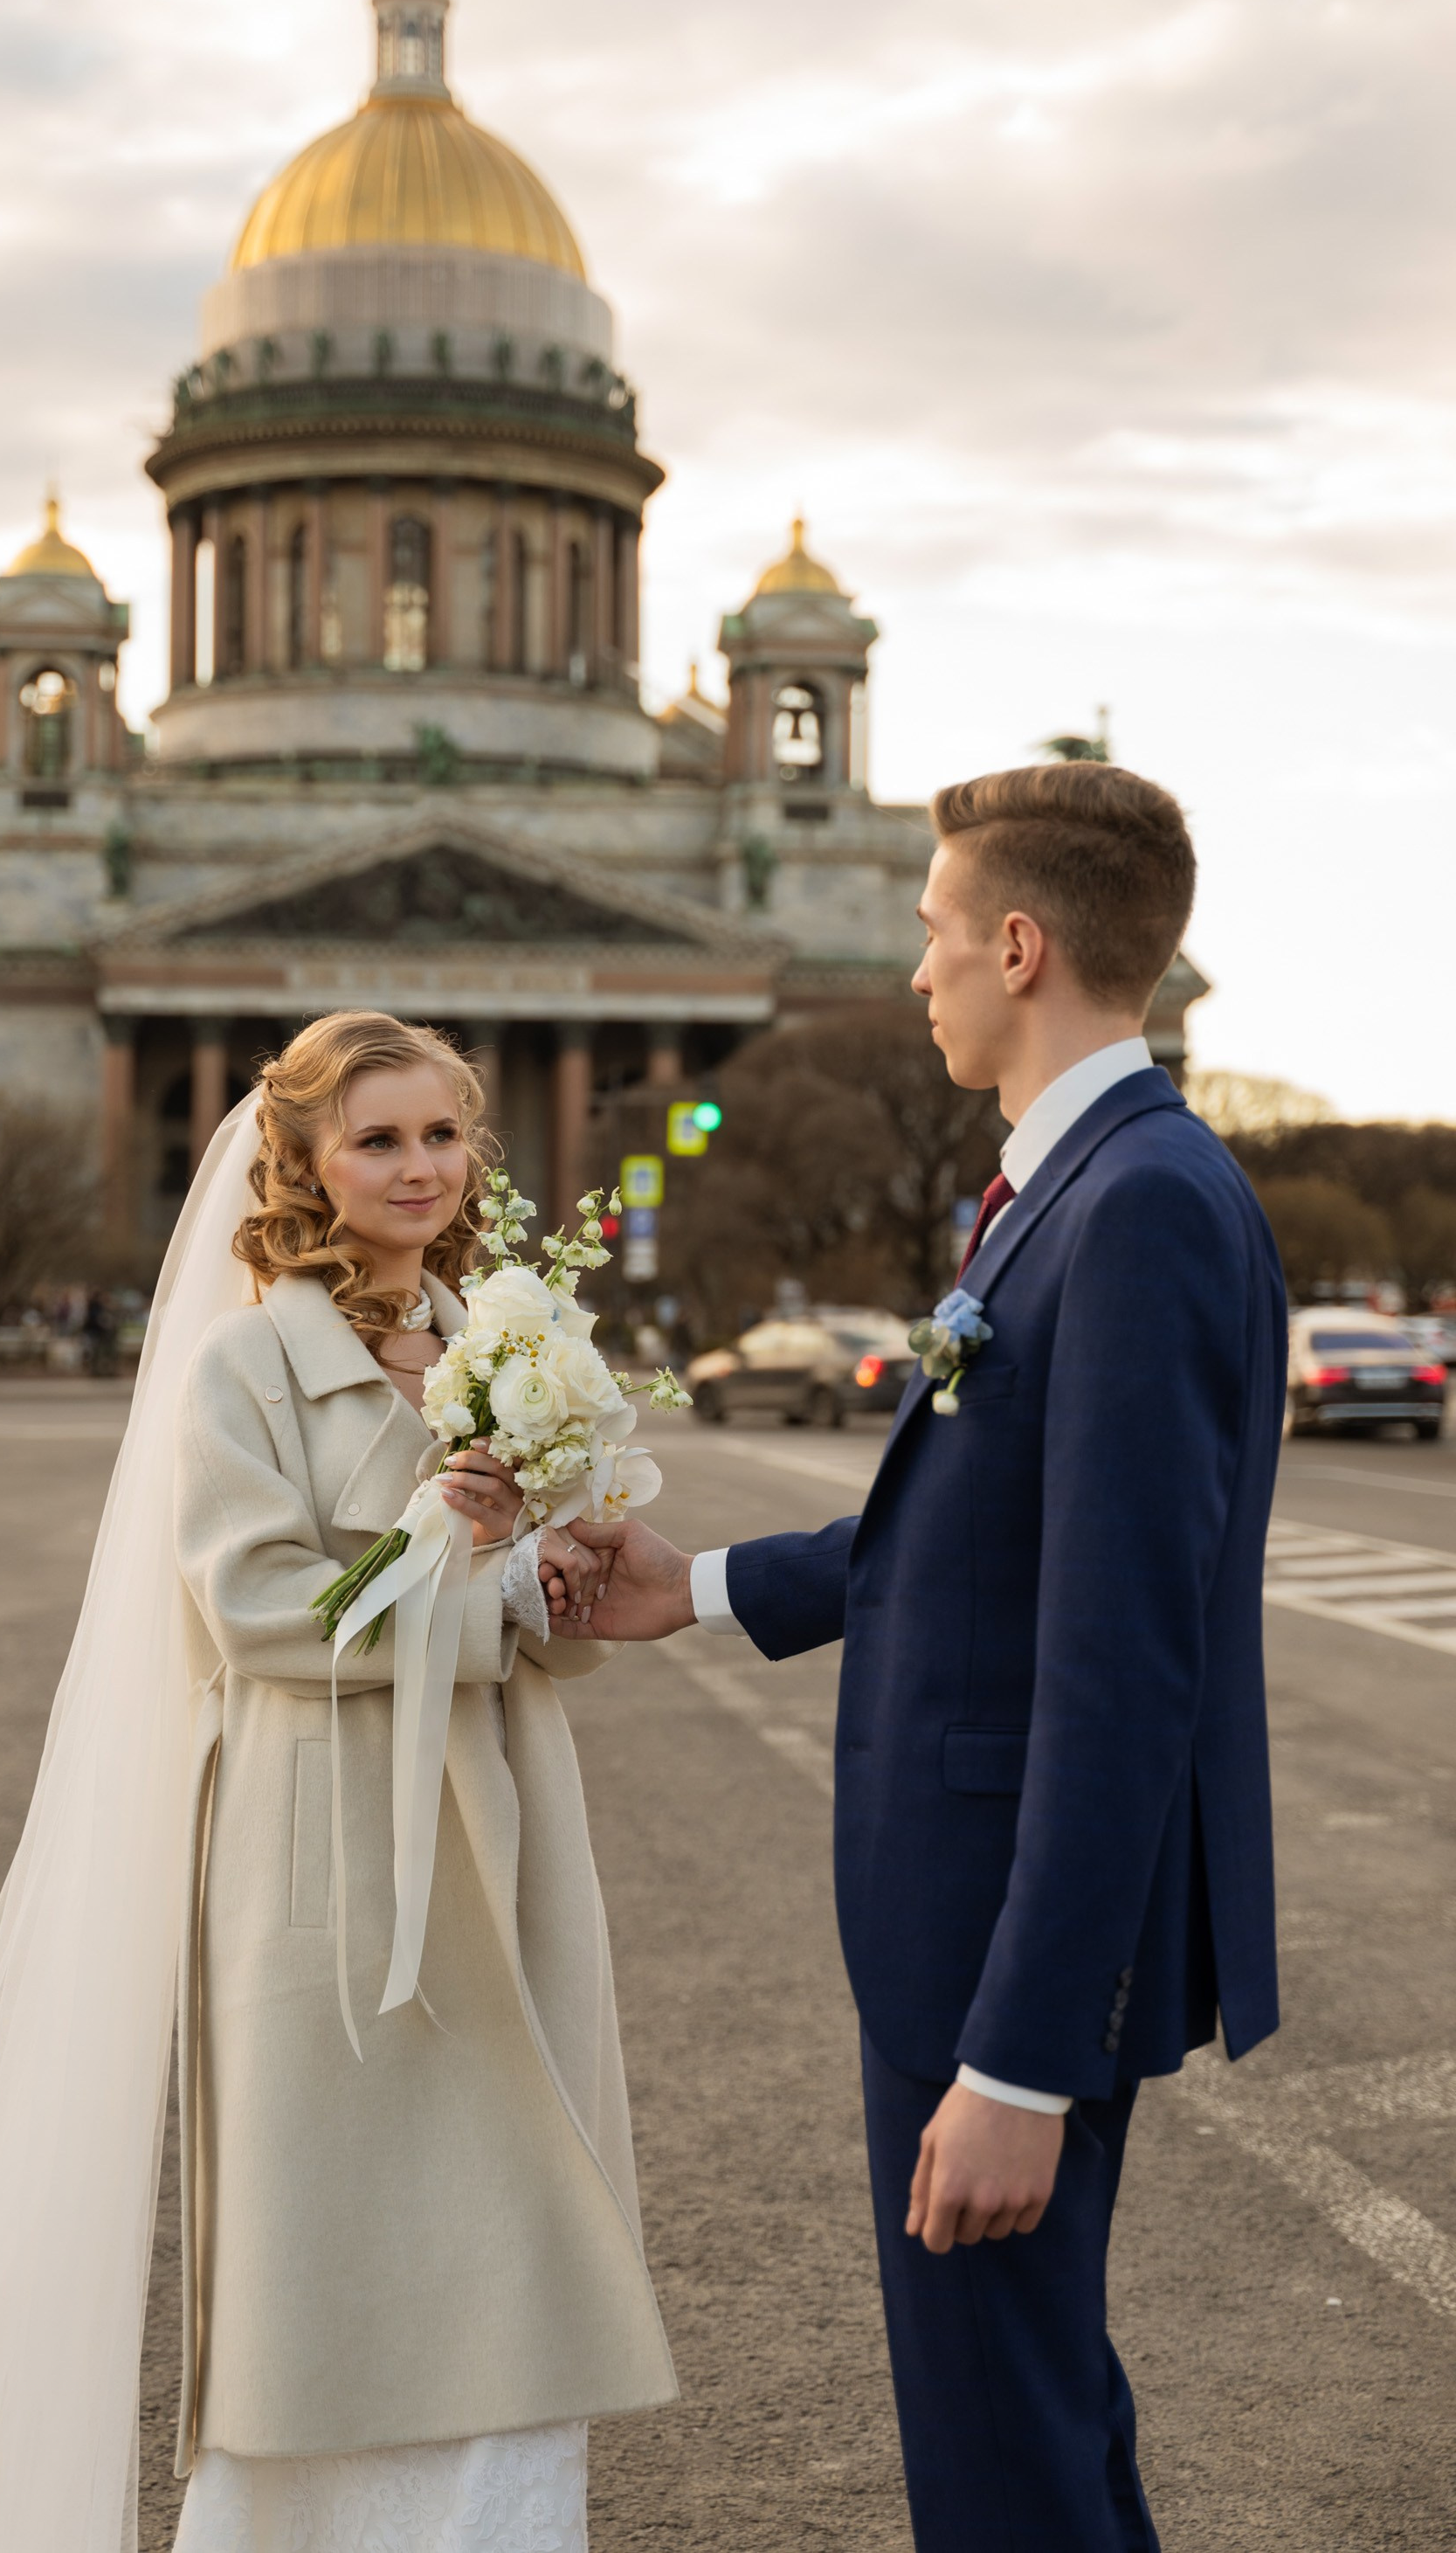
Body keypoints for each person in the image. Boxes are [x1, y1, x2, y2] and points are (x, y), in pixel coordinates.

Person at [0, 1009, 673, 2553]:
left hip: (506, 1810)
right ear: (304, 1161)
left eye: (443, 1133)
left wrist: (557, 1581)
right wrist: (457, 1564)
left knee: (523, 2212)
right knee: (330, 2251)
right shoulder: (243, 1367)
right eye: (378, 1138)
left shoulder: (512, 1346)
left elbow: (543, 1637)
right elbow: (252, 1609)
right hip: (324, 1835)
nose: (421, 1167)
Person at [545, 763, 1287, 2551]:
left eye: (935, 933)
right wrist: (702, 1584)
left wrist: (1024, 2059)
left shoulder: (1138, 1207)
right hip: (962, 1927)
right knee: (1030, 2417)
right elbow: (980, 1551)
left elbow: (1119, 1666)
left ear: (1019, 946)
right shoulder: (1081, 1186)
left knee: (997, 2459)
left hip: (1001, 1956)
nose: (914, 972)